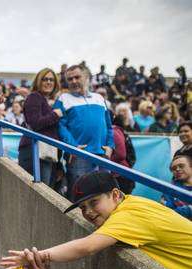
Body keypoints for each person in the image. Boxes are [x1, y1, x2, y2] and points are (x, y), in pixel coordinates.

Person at [1, 171, 192, 269]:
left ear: (115, 195)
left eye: (94, 202)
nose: (89, 212)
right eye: (83, 207)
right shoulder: (132, 203)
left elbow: (87, 247)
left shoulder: (129, 216)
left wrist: (39, 256)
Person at [54, 65, 114, 199]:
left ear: (86, 77)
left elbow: (109, 125)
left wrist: (110, 146)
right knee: (80, 197)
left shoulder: (99, 97)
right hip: (79, 154)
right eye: (70, 79)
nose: (74, 81)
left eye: (77, 77)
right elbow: (61, 127)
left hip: (103, 153)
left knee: (105, 196)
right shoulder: (63, 99)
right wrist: (73, 147)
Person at [18, 68, 63, 187]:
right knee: (39, 192)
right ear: (38, 81)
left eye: (52, 80)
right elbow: (35, 123)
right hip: (34, 150)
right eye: (45, 79)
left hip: (47, 153)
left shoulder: (47, 101)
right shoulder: (34, 97)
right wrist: (55, 115)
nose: (48, 82)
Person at [160, 155, 192, 219]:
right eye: (174, 168)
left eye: (181, 166)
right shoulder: (169, 190)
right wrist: (189, 209)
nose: (177, 169)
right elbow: (169, 214)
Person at [111, 115, 136, 194]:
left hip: (120, 175)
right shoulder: (118, 131)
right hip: (123, 173)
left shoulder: (114, 131)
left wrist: (105, 160)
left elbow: (121, 154)